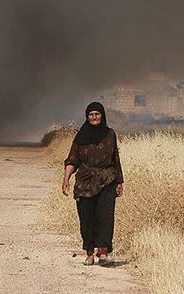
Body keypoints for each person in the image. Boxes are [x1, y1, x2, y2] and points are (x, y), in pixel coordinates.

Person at [62, 101, 124, 266]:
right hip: (85, 182)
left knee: (105, 217)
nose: (94, 117)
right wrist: (66, 178)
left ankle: (103, 253)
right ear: (87, 117)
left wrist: (119, 181)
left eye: (97, 114)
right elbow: (72, 159)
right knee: (86, 218)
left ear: (102, 115)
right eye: (91, 114)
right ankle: (89, 252)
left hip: (107, 180)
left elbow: (115, 159)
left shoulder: (110, 134)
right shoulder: (81, 136)